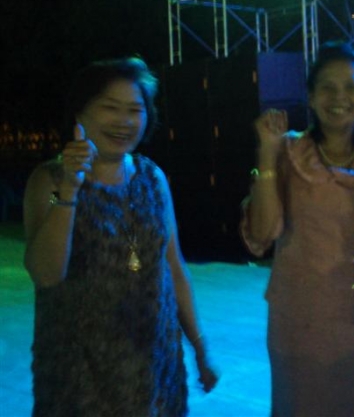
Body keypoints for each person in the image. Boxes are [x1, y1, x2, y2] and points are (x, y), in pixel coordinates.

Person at [23, 57, 219, 416]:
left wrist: (200, 348)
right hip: (80, 375)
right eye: (110, 107)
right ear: (80, 113)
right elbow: (46, 274)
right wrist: (69, 189)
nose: (124, 121)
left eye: (135, 110)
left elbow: (174, 268)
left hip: (154, 365)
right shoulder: (49, 181)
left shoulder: (152, 178)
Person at [240, 41, 354, 416]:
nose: (339, 97)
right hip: (296, 315)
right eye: (327, 88)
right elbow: (262, 234)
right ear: (311, 97)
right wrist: (266, 154)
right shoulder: (288, 152)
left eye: (351, 87)